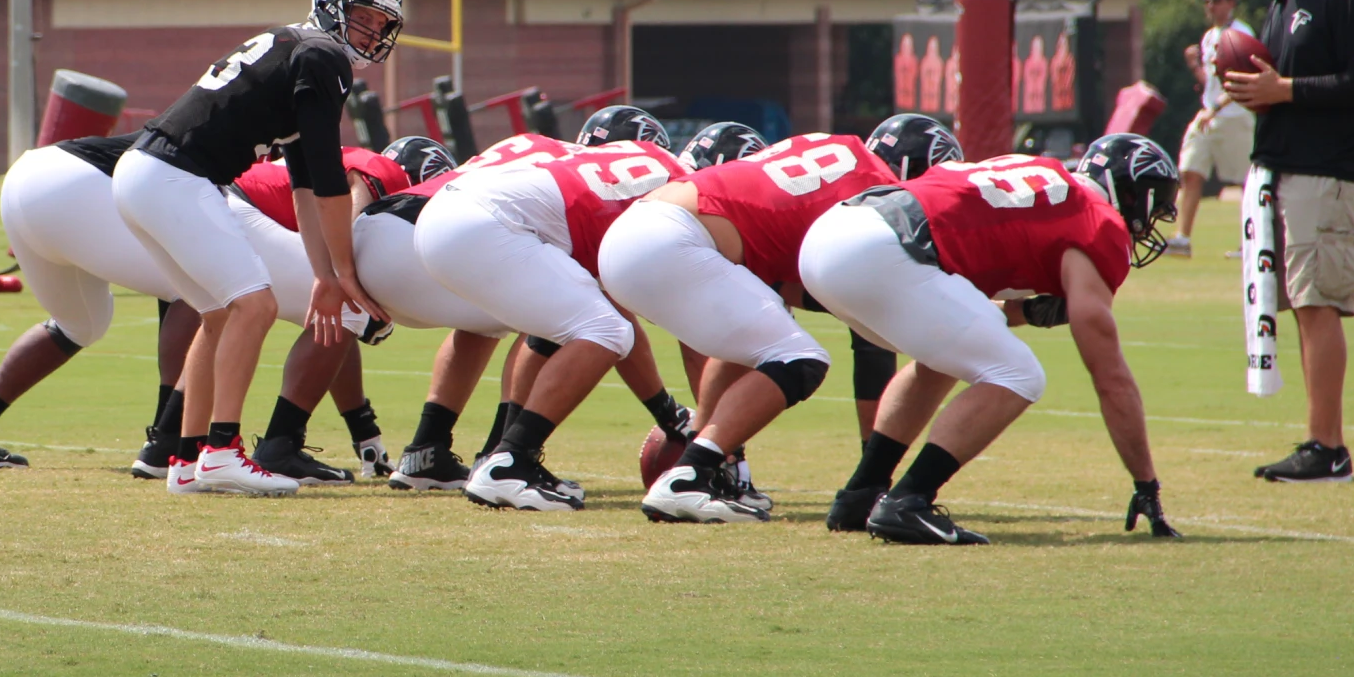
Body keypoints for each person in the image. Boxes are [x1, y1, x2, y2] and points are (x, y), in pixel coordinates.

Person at [801, 135, 1181, 545]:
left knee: (949, 355)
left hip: (837, 233)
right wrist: (1146, 484)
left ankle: (861, 493)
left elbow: (983, 292)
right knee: (1020, 374)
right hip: (886, 251)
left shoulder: (1044, 177)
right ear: (1130, 191)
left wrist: (1026, 312)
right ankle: (908, 501)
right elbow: (1110, 377)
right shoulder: (1098, 222)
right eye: (1154, 203)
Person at [113, 0, 402, 497]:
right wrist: (343, 272)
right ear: (333, 6)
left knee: (220, 314)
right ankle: (223, 451)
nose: (371, 33)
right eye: (363, 17)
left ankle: (188, 457)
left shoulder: (295, 48)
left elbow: (304, 186)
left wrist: (322, 275)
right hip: (176, 175)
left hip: (145, 172)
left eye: (381, 26)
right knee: (256, 305)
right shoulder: (322, 55)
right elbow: (330, 176)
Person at [600, 131, 896, 523]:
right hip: (676, 240)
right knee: (801, 359)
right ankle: (689, 476)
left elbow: (787, 285)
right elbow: (865, 325)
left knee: (758, 342)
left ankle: (711, 471)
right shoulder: (880, 193)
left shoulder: (829, 149)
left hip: (638, 227)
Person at [414, 134, 692, 510]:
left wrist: (668, 415)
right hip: (486, 222)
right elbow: (632, 320)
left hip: (447, 209)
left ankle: (504, 455)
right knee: (605, 330)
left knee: (572, 328)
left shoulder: (620, 164)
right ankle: (510, 462)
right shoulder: (680, 193)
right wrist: (680, 418)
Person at [1224, 0, 1354, 483]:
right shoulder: (1279, 1)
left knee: (1318, 305)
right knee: (1301, 304)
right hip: (1287, 171)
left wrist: (1286, 91)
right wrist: (1253, 91)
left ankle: (1330, 449)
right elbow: (1277, 85)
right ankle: (1319, 441)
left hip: (1328, 176)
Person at [0, 131, 201, 473]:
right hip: (76, 183)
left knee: (81, 323)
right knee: (197, 287)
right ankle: (168, 442)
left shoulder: (209, 119)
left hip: (28, 176)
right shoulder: (233, 137)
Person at [226, 144, 409, 481]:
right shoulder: (385, 171)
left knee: (337, 317)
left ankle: (168, 440)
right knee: (346, 306)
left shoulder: (359, 159)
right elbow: (347, 234)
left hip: (231, 206)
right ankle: (279, 446)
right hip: (244, 210)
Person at [1168, 0, 1255, 257]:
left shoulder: (1241, 34)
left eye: (1216, 0)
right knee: (1190, 172)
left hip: (1234, 115)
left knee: (1247, 182)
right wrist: (1194, 66)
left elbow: (1243, 80)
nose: (1211, 6)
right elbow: (1212, 84)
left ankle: (1250, 243)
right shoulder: (1209, 36)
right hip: (1208, 115)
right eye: (1207, 1)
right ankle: (1182, 239)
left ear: (1231, 3)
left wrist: (1214, 109)